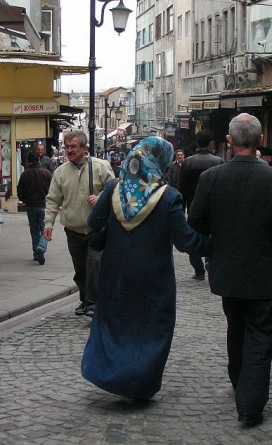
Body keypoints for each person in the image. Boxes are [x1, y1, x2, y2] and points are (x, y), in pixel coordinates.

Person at [187, 113, 272, 426]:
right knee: (260, 337)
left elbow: (195, 223)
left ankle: (240, 382)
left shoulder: (211, 179)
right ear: (260, 141)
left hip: (227, 274)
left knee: (236, 326)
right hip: (265, 277)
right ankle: (249, 405)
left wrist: (216, 245)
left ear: (229, 141)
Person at [81, 137, 211, 400]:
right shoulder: (167, 197)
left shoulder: (114, 188)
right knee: (152, 327)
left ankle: (109, 373)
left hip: (115, 272)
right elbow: (186, 241)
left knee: (116, 323)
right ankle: (139, 382)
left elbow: (93, 220)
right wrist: (214, 245)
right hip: (154, 275)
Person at [43, 131, 115, 316]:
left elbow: (116, 190)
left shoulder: (101, 167)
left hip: (96, 229)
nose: (69, 150)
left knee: (94, 265)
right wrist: (48, 223)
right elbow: (53, 200)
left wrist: (100, 198)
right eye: (67, 147)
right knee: (80, 269)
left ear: (84, 148)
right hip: (73, 230)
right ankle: (85, 300)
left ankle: (93, 303)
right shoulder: (60, 172)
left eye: (73, 146)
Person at [180, 129, 224, 280]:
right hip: (215, 209)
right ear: (211, 144)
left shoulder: (187, 163)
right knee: (215, 239)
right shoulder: (218, 162)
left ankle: (199, 270)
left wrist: (182, 209)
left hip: (194, 208)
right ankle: (210, 265)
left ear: (197, 143)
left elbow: (182, 189)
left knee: (194, 241)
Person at [17, 151, 53, 265]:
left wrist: (25, 200)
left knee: (34, 230)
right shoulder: (46, 173)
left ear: (28, 161)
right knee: (45, 229)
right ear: (39, 160)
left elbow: (20, 192)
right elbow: (54, 190)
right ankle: (41, 248)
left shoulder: (25, 175)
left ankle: (36, 252)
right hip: (44, 205)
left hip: (31, 206)